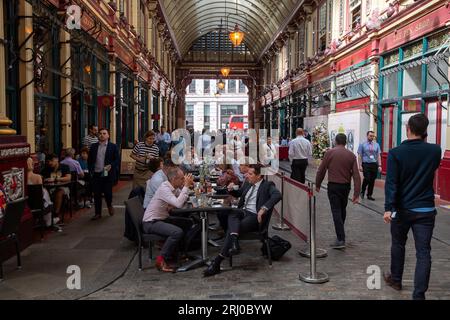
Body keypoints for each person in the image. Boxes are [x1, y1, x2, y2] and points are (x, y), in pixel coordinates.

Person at [383, 114, 441, 300]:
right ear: (425, 131)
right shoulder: (435, 151)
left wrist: (388, 208)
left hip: (401, 210)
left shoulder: (396, 153)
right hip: (425, 209)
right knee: (424, 252)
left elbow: (391, 183)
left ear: (407, 128)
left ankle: (396, 279)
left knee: (398, 244)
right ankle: (418, 295)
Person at [203, 164, 282, 277]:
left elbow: (277, 195)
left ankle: (218, 260)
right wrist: (229, 189)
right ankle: (233, 242)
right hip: (243, 213)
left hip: (255, 217)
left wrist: (263, 209)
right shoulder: (249, 184)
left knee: (231, 228)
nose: (247, 176)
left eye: (250, 174)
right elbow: (239, 193)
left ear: (259, 176)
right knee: (232, 212)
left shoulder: (268, 185)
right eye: (247, 173)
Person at [142, 167, 194, 272]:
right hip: (151, 222)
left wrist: (187, 186)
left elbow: (182, 198)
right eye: (181, 179)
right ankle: (161, 259)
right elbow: (179, 204)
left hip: (161, 218)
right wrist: (186, 186)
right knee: (176, 232)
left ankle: (177, 253)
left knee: (187, 223)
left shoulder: (173, 187)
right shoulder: (164, 188)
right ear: (174, 179)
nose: (183, 181)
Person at [315, 133, 361, 249]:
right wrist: (356, 194)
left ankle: (341, 239)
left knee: (336, 211)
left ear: (335, 141)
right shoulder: (351, 155)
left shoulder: (329, 153)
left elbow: (321, 170)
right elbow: (356, 176)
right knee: (342, 209)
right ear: (345, 142)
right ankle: (340, 235)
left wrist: (318, 184)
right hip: (345, 187)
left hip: (333, 186)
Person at [88, 128, 120, 221]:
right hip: (96, 174)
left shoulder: (113, 146)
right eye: (100, 133)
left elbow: (117, 160)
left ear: (108, 136)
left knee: (107, 193)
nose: (102, 135)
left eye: (104, 133)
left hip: (107, 174)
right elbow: (90, 160)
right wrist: (91, 170)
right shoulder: (93, 146)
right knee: (97, 194)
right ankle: (98, 213)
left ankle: (109, 205)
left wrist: (111, 165)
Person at [42, 154, 72, 222]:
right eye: (48, 161)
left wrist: (55, 179)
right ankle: (47, 213)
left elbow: (68, 178)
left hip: (64, 187)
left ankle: (56, 213)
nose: (50, 163)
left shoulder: (64, 167)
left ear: (57, 160)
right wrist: (44, 179)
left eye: (51, 161)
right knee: (44, 192)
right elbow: (41, 176)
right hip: (51, 188)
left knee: (59, 192)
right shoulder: (47, 168)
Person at [357, 130, 381, 200]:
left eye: (373, 136)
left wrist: (379, 165)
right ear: (367, 136)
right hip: (366, 164)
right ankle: (362, 190)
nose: (372, 137)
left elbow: (378, 155)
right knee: (367, 178)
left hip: (374, 164)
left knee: (372, 180)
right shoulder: (362, 144)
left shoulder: (376, 145)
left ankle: (369, 195)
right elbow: (359, 155)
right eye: (370, 136)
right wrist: (360, 165)